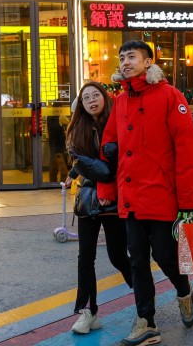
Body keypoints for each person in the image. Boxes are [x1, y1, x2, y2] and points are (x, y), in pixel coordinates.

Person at [103, 41, 193, 345]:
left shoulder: (171, 96)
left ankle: (183, 291)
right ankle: (146, 321)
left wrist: (187, 202)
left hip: (163, 196)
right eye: (122, 58)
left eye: (132, 57)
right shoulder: (119, 102)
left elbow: (186, 152)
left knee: (165, 255)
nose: (125, 62)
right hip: (130, 196)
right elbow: (108, 149)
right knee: (137, 261)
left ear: (148, 62)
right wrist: (108, 190)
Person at [63, 80, 132, 335]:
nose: (92, 100)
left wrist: (104, 183)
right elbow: (80, 160)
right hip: (89, 199)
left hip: (113, 197)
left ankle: (143, 292)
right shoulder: (76, 130)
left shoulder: (118, 122)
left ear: (104, 97)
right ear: (80, 105)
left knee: (117, 255)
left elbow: (121, 162)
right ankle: (87, 311)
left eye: (96, 95)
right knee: (85, 257)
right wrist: (74, 172)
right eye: (86, 98)